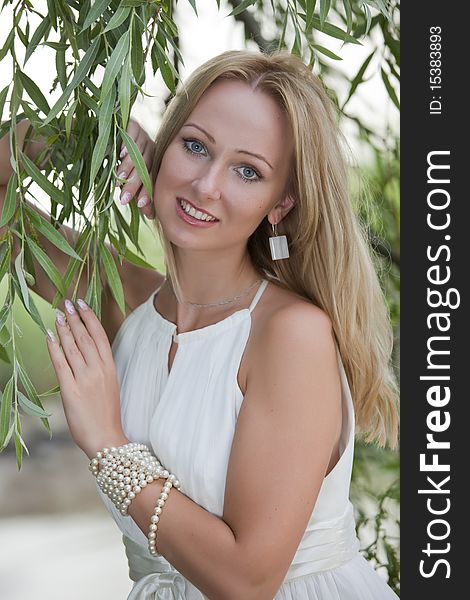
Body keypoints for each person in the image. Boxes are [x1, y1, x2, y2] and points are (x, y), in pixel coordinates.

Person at [0, 50, 399, 599]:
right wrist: (89, 137)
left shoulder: (291, 334)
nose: (206, 185)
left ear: (281, 203)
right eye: (194, 146)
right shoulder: (127, 302)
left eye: (247, 170)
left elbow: (247, 581)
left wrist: (107, 445)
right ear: (161, 150)